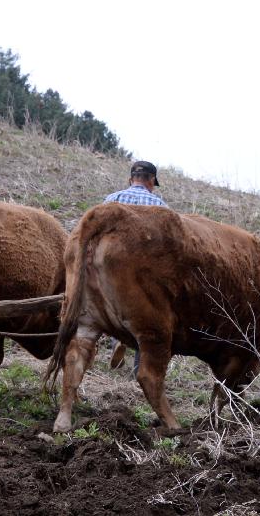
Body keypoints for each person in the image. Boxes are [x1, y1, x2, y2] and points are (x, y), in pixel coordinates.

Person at [103, 161, 168, 376]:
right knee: (148, 318)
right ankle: (140, 365)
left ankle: (118, 340)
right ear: (151, 181)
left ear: (131, 179)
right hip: (146, 271)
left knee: (115, 305)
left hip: (113, 265)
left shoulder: (111, 200)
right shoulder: (161, 207)